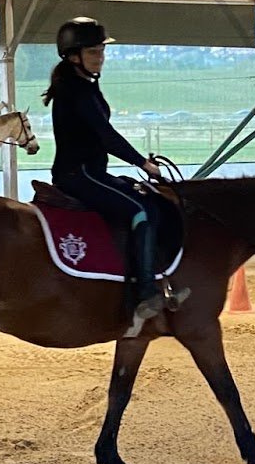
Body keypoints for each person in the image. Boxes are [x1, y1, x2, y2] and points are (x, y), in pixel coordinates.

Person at [42, 17, 188, 322]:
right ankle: (145, 293)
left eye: (101, 52)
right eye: (94, 52)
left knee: (149, 201)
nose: (101, 58)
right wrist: (143, 163)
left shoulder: (83, 85)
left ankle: (153, 277)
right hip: (79, 175)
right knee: (140, 212)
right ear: (73, 56)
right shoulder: (76, 91)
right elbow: (105, 135)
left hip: (93, 172)